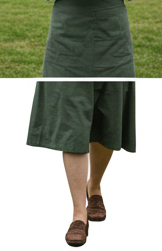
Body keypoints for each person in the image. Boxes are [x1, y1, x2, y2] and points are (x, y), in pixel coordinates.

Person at [27, 81, 135, 247]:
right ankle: (79, 214)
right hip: (67, 60)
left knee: (108, 119)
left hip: (112, 59)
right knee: (72, 128)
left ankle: (94, 186)